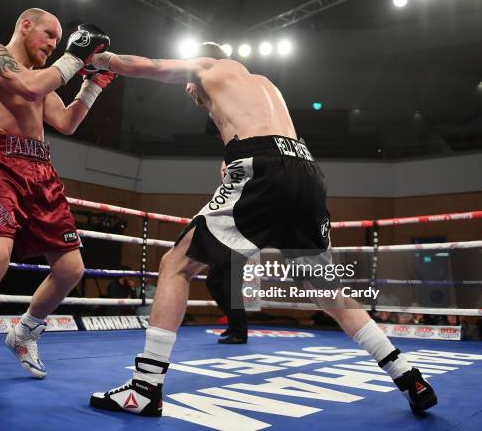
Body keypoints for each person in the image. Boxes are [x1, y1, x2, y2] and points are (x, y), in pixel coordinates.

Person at [87, 43, 437, 416]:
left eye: (189, 85)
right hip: (306, 172)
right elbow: (264, 142)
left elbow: (147, 66)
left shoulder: (209, 66)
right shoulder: (264, 85)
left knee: (176, 265)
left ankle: (144, 388)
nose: (189, 91)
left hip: (264, 168)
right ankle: (407, 374)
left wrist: (97, 59)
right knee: (328, 294)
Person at [0, 8, 114, 414]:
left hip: (41, 170)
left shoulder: (43, 75)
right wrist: (76, 58)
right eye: (50, 36)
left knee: (71, 270)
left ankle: (24, 332)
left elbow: (66, 122)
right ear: (25, 24)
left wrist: (93, 86)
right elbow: (28, 88)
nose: (54, 45)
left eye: (60, 41)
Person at [205, 161, 248, 344]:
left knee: (231, 288)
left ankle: (240, 332)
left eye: (227, 170)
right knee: (213, 282)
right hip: (224, 243)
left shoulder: (245, 189)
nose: (224, 173)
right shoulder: (224, 191)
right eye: (222, 170)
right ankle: (234, 324)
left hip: (240, 243)